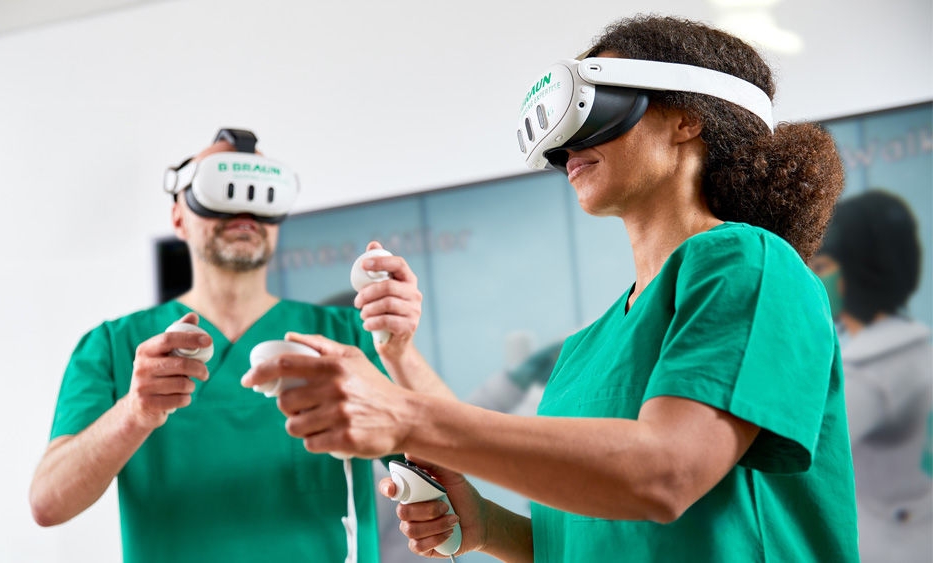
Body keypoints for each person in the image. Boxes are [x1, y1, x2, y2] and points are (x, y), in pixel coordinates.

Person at [241, 14, 859, 562]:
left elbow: (665, 474)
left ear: (686, 119)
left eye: (597, 110)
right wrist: (484, 524)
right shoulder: (589, 346)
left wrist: (403, 417)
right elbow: (590, 539)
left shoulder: (747, 261)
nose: (566, 149)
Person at [29, 128, 450, 563]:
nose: (244, 210)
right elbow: (48, 502)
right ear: (178, 217)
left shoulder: (347, 336)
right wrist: (134, 413)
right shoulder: (113, 347)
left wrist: (401, 352)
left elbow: (455, 458)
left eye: (260, 198)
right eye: (220, 194)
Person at [810, 189, 932, 563]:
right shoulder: (912, 340)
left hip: (893, 544)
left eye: (822, 268)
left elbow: (805, 454)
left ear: (859, 271)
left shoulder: (874, 365)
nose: (813, 281)